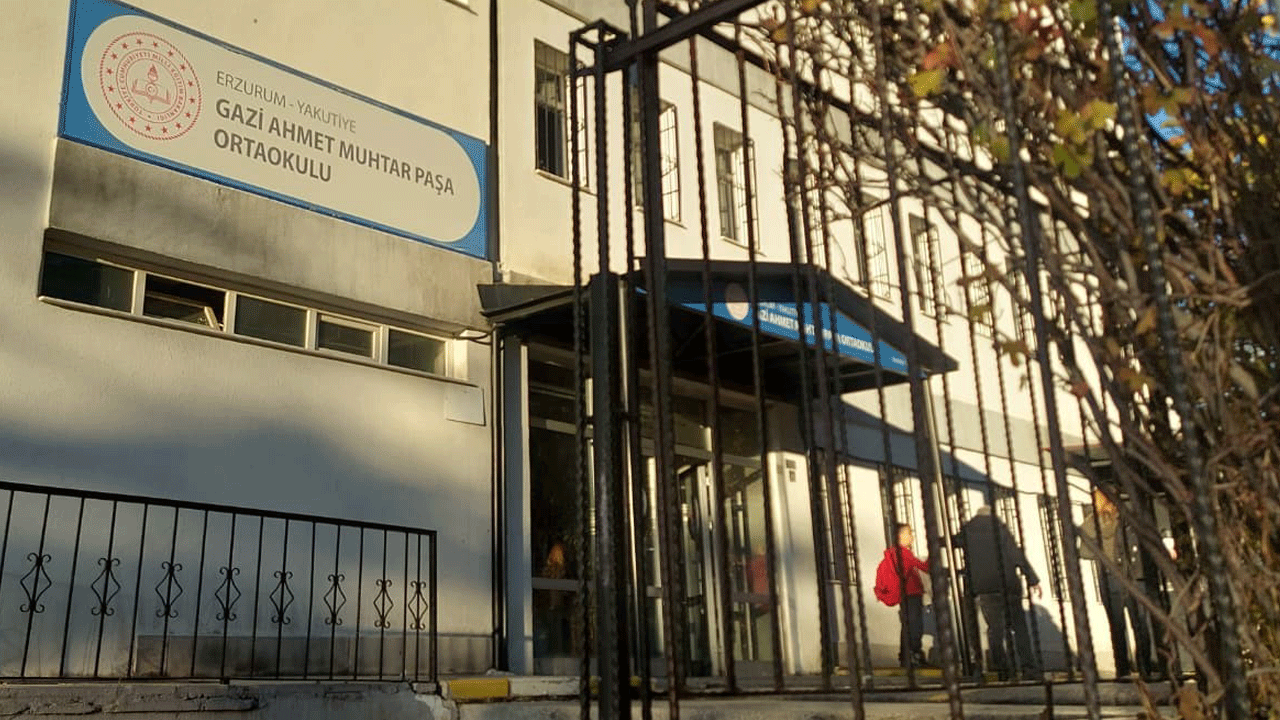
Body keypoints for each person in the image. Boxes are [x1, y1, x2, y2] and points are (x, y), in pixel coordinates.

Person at [953, 506, 1042, 680]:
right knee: (1019, 628)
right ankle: (1029, 668)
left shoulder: (968, 531)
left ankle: (1001, 668)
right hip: (1008, 585)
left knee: (995, 629)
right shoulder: (1000, 529)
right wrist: (1032, 579)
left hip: (985, 588)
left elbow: (952, 542)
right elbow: (1016, 555)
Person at [1078, 488, 1154, 679]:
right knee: (1140, 623)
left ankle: (1122, 668)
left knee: (1117, 625)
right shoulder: (1126, 518)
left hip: (1110, 576)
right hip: (1132, 575)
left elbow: (1084, 553)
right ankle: (1145, 666)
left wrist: (1102, 552)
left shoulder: (1091, 524)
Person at [877, 523, 931, 668]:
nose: (912, 536)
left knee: (906, 625)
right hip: (912, 594)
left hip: (903, 595)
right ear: (900, 536)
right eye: (909, 533)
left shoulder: (893, 553)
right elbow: (925, 567)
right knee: (915, 625)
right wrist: (933, 554)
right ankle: (914, 654)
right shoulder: (904, 553)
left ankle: (905, 656)